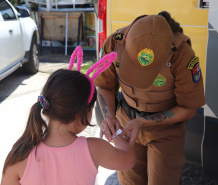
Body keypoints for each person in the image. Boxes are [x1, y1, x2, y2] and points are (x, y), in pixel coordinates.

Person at [94, 11, 205, 185]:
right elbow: (105, 86)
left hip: (165, 131)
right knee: (130, 181)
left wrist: (143, 122)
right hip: (127, 123)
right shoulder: (114, 43)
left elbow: (188, 108)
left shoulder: (182, 54)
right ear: (126, 38)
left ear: (168, 51)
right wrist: (109, 117)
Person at [1, 47, 136, 185]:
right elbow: (129, 159)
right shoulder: (94, 149)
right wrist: (115, 133)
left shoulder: (19, 156)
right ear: (83, 112)